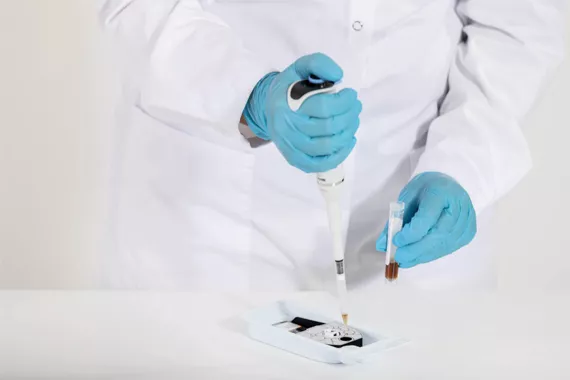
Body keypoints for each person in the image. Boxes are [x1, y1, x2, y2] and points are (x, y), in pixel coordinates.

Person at [98, 0, 565, 291]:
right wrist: (249, 94)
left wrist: (465, 162)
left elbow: (520, 24)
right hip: (215, 221)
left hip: (412, 199)